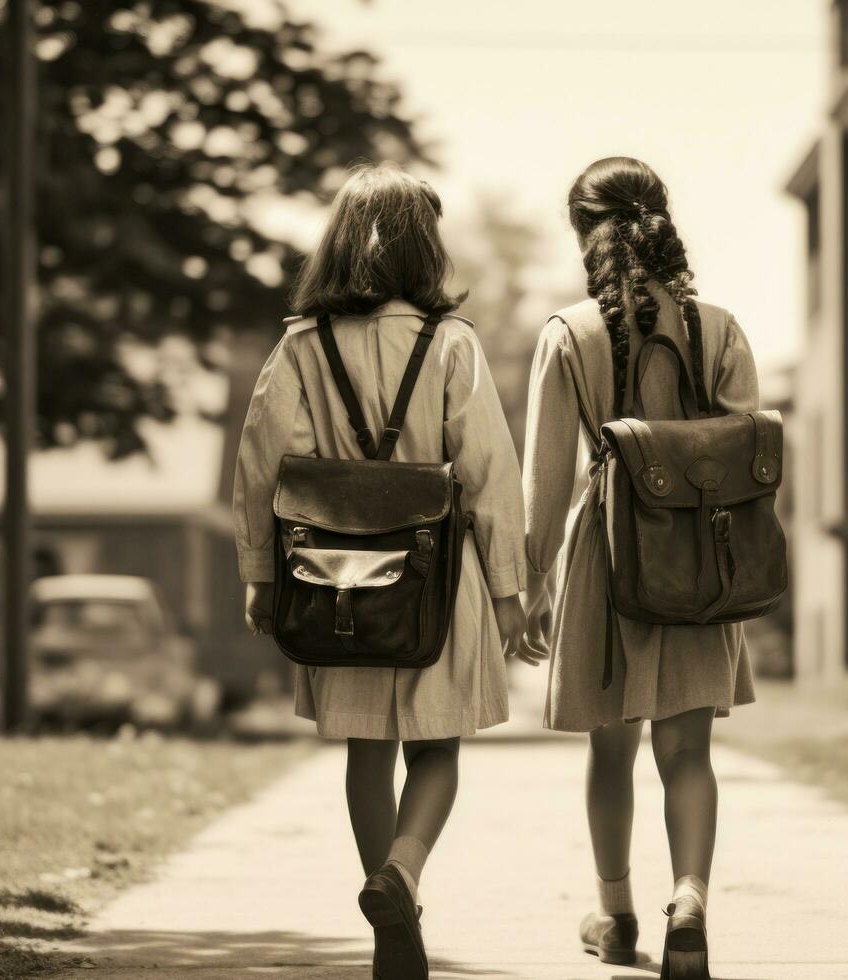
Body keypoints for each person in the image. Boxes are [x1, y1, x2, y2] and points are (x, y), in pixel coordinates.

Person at [231, 162, 534, 980]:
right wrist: (510, 592)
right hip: (439, 583)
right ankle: (402, 872)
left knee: (367, 749)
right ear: (421, 249)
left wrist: (261, 573)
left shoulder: (299, 346)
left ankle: (381, 909)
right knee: (436, 749)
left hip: (335, 581)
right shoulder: (452, 345)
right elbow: (489, 473)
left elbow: (262, 464)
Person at [520, 157, 759, 980]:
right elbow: (746, 453)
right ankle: (689, 901)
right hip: (701, 558)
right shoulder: (720, 329)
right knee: (688, 754)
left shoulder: (567, 334)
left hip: (606, 561)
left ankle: (616, 915)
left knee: (610, 751)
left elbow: (544, 482)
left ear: (586, 233)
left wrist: (526, 586)